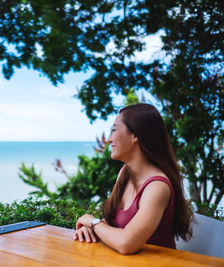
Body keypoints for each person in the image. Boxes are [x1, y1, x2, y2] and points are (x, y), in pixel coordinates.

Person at [73, 103, 193, 254]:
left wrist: (92, 222)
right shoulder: (125, 173)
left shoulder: (157, 186)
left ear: (134, 135)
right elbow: (112, 227)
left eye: (114, 129)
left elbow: (126, 243)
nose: (109, 139)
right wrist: (90, 229)